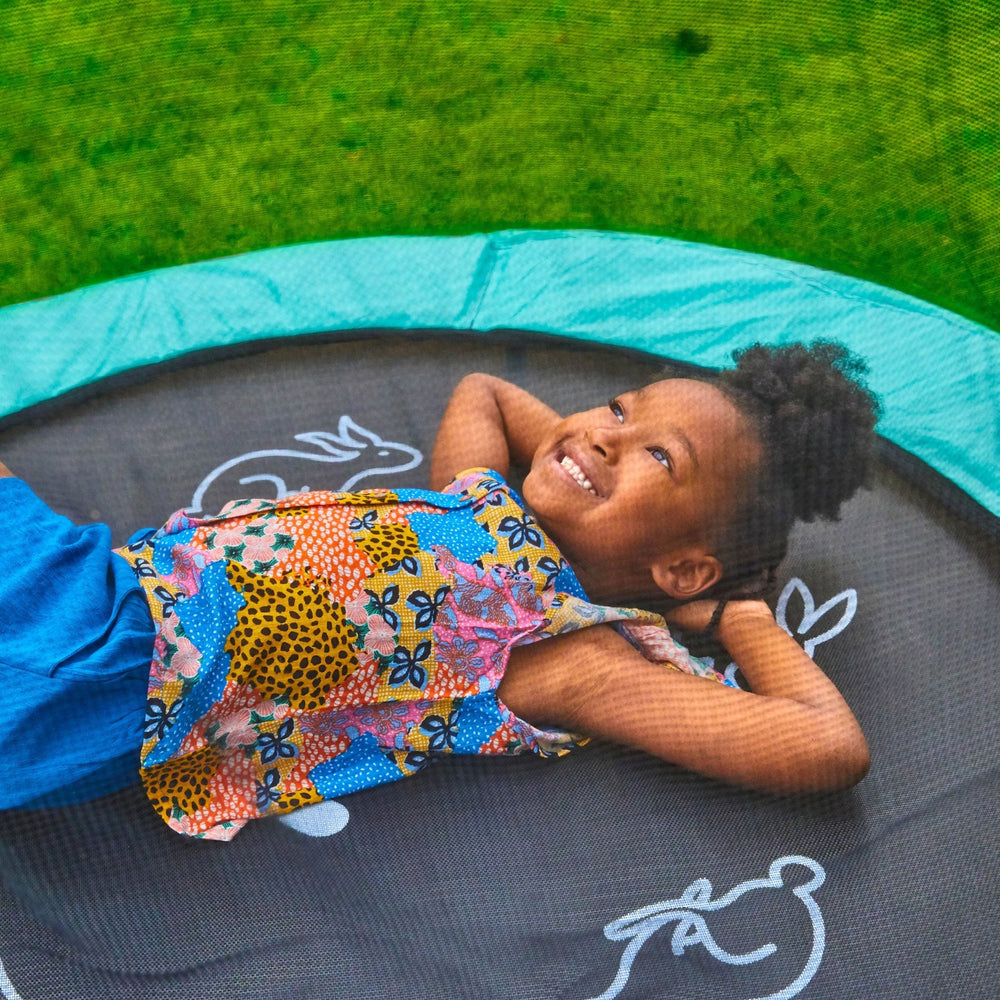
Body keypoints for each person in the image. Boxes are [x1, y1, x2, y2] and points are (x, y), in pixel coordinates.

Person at [0, 342, 878, 840]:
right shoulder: (483, 496)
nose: (607, 435)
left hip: (119, 664)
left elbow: (826, 748)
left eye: (659, 457)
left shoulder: (565, 652)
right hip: (114, 585)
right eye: (619, 406)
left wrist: (738, 615)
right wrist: (579, 457)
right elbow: (487, 392)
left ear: (684, 569)